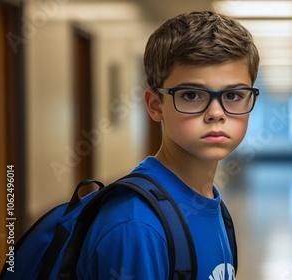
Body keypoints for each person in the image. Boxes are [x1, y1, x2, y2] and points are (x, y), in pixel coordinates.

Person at [76, 11, 259, 279]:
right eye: (192, 95)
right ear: (155, 105)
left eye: (233, 95)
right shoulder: (136, 225)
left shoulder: (211, 202)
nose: (216, 113)